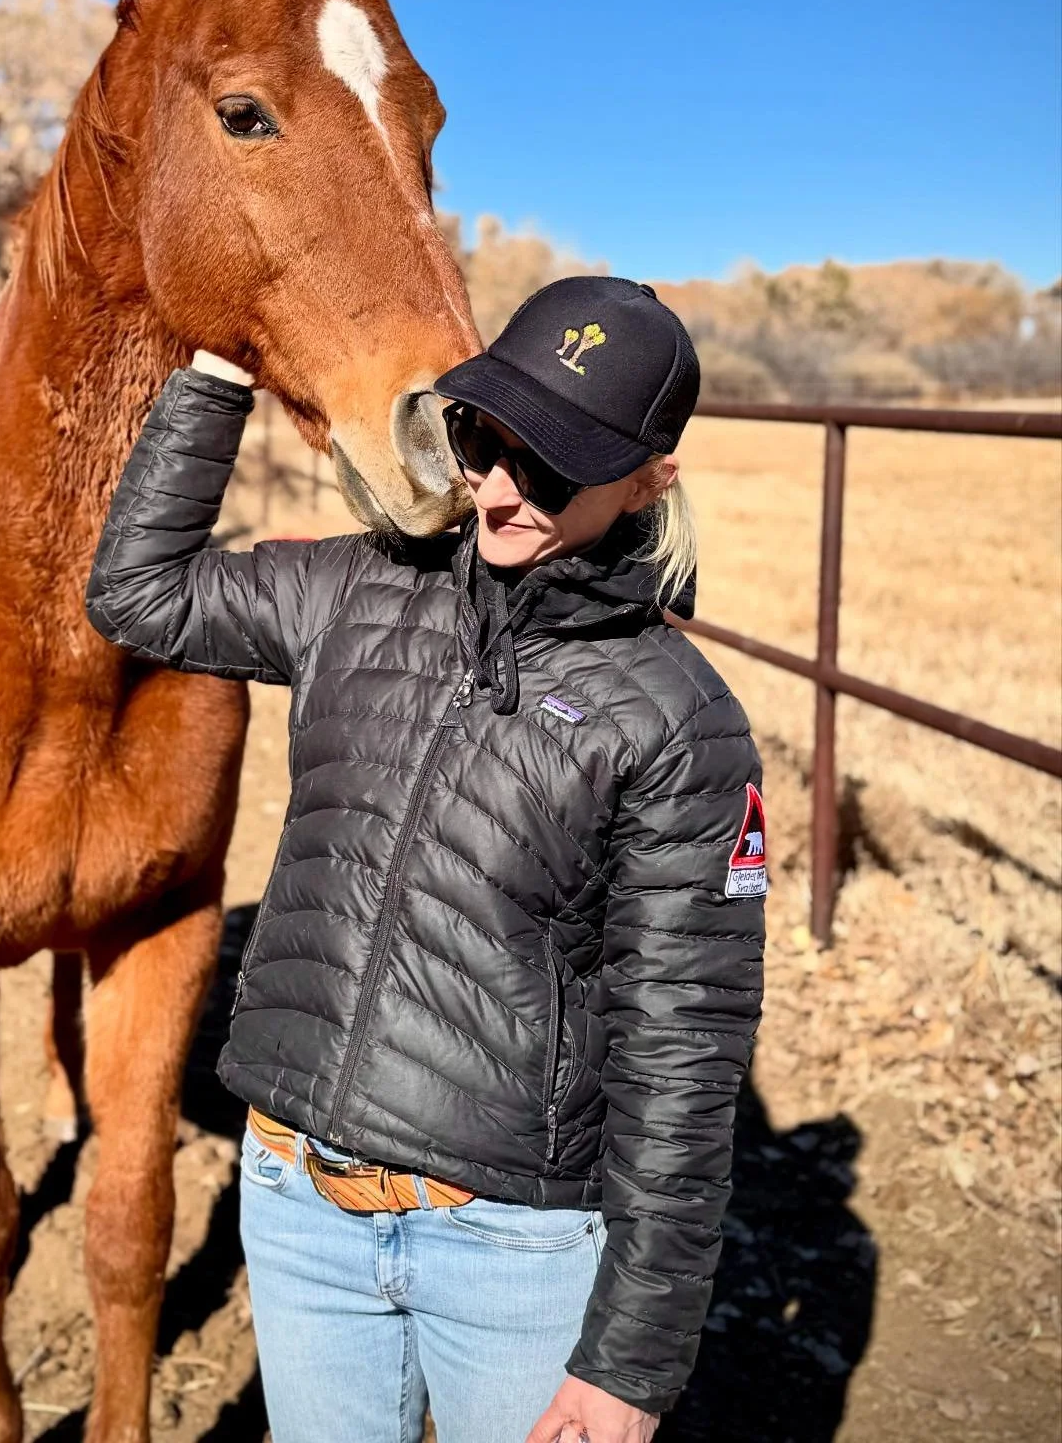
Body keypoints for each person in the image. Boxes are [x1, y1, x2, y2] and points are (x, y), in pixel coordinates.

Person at [86, 277, 766, 1443]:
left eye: (550, 467)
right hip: (299, 1202)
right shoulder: (357, 588)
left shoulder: (677, 723)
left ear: (651, 479)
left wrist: (633, 1367)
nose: (498, 490)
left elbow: (681, 1053)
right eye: (480, 435)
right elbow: (140, 596)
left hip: (511, 1250)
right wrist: (210, 388)